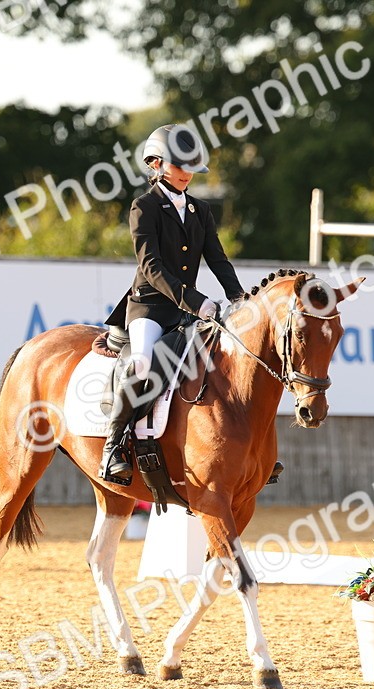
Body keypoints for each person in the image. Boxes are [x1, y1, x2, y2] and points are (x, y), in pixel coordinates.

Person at [99, 124, 246, 483]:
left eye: (191, 168)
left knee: (224, 363)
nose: (187, 175)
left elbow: (218, 259)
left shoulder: (201, 209)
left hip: (184, 314)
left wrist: (240, 299)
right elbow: (151, 267)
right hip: (149, 308)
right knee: (145, 362)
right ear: (156, 164)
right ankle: (113, 446)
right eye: (180, 167)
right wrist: (197, 302)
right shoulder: (143, 207)